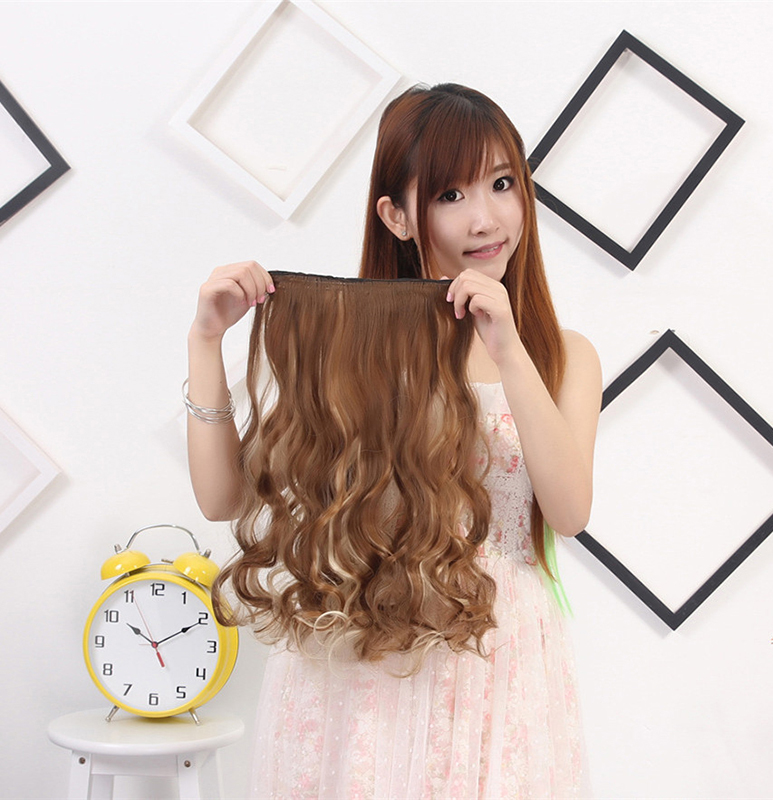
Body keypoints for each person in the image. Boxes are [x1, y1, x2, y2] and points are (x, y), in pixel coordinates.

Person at [186, 83, 601, 799]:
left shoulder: (565, 356)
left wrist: (509, 350)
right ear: (397, 216)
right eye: (450, 194)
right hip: (365, 658)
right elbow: (222, 500)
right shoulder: (352, 346)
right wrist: (204, 341)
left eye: (503, 183)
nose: (486, 217)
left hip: (497, 659)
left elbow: (568, 512)